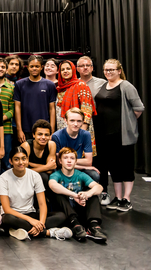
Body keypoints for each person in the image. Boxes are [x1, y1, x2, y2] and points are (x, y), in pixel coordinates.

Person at [93, 59, 144, 212]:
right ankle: (118, 197)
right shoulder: (104, 85)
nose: (109, 72)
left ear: (119, 70)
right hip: (104, 134)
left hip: (121, 136)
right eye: (106, 70)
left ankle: (127, 199)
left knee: (125, 166)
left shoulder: (126, 86)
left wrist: (128, 123)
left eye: (112, 69)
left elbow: (138, 108)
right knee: (113, 167)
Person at [0, 146, 69, 241]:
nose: (21, 162)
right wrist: (31, 221)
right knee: (7, 219)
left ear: (27, 160)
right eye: (16, 159)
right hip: (14, 216)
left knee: (61, 216)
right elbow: (7, 209)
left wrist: (40, 223)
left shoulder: (35, 176)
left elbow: (42, 204)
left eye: (24, 159)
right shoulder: (3, 178)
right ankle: (48, 233)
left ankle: (20, 230)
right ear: (10, 161)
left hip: (30, 213)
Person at [49, 147, 107, 242]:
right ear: (60, 160)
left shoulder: (80, 174)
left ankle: (93, 226)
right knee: (57, 193)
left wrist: (87, 194)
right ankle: (75, 225)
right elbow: (52, 185)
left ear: (76, 161)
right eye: (65, 158)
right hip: (66, 212)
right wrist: (74, 195)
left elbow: (99, 187)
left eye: (72, 158)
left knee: (92, 193)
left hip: (80, 208)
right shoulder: (57, 174)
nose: (69, 161)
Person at [77, 55, 109, 204]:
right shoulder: (74, 84)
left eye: (87, 65)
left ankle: (103, 191)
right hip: (79, 125)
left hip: (98, 124)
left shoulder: (102, 83)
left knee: (100, 159)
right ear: (77, 69)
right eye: (81, 65)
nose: (85, 68)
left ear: (92, 68)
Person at [14, 55, 57, 143]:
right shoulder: (19, 84)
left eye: (37, 66)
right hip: (25, 128)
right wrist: (19, 130)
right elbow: (17, 108)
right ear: (28, 67)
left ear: (42, 67)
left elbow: (52, 109)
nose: (34, 68)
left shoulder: (50, 85)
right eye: (32, 66)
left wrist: (51, 131)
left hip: (44, 129)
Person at [52, 108, 100, 183]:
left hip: (76, 168)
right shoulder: (57, 136)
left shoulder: (85, 134)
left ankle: (87, 194)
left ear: (82, 122)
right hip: (62, 169)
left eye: (79, 121)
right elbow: (59, 162)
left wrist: (67, 161)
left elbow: (89, 161)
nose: (75, 124)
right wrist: (84, 166)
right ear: (66, 120)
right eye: (72, 120)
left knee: (94, 175)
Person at [55, 60, 96, 135]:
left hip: (79, 129)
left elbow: (87, 110)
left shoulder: (81, 85)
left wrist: (81, 132)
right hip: (63, 128)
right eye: (62, 69)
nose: (65, 71)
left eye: (68, 68)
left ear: (73, 70)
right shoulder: (59, 88)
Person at [0, 58, 15, 173]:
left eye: (3, 67)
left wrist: (1, 119)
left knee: (6, 162)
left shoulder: (12, 87)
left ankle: (6, 189)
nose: (0, 69)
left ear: (6, 70)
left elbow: (13, 109)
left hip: (6, 130)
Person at [21, 120, 57, 192]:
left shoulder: (51, 145)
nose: (43, 137)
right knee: (43, 176)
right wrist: (46, 166)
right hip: (25, 180)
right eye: (40, 134)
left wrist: (29, 164)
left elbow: (50, 170)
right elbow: (22, 171)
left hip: (44, 179)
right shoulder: (26, 146)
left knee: (47, 177)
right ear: (34, 135)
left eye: (46, 135)